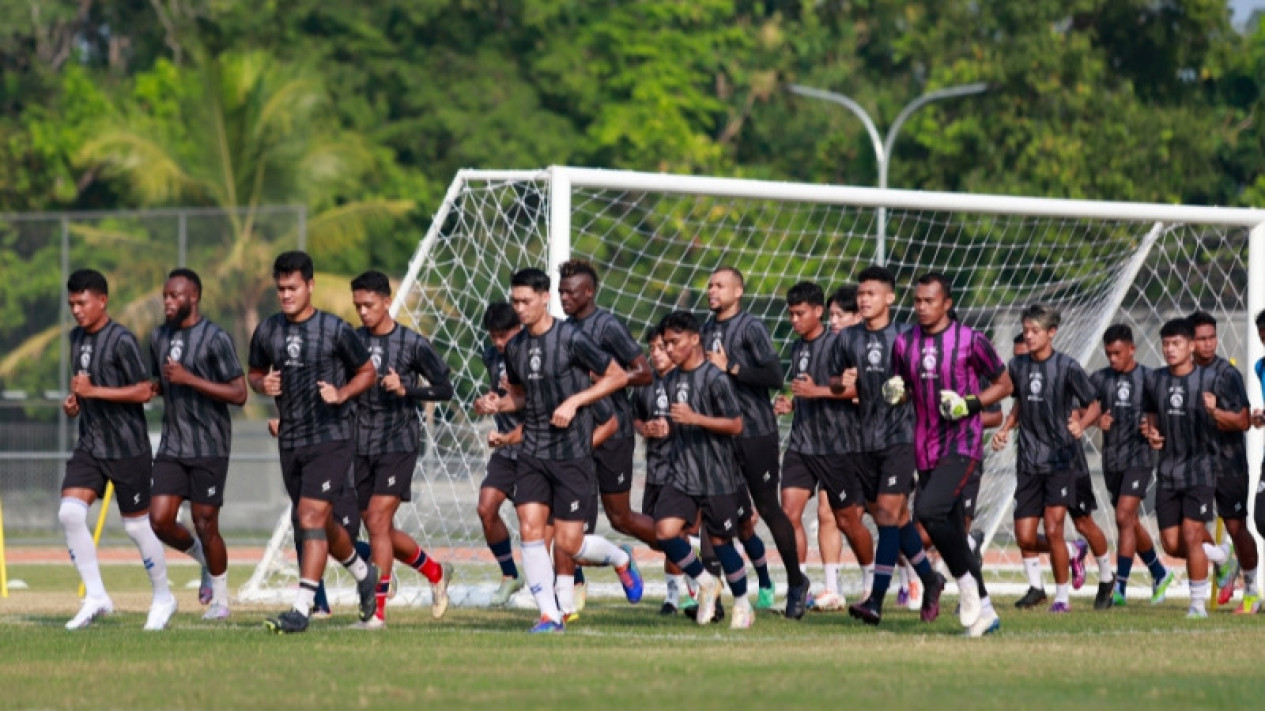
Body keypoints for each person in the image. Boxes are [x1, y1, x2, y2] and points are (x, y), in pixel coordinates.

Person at [486, 267, 641, 633]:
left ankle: (620, 557)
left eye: (526, 301)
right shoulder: (516, 347)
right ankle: (549, 615)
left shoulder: (572, 338)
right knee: (530, 529)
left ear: (544, 298)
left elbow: (617, 376)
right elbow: (523, 396)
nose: (520, 308)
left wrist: (576, 402)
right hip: (534, 451)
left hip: (572, 454)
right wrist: (501, 404)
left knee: (569, 544)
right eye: (515, 301)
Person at [248, 251, 379, 634]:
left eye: (292, 288)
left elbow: (367, 371)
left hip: (332, 438)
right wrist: (262, 384)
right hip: (290, 440)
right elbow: (254, 372)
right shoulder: (268, 331)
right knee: (321, 521)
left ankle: (302, 608)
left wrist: (342, 394)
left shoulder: (336, 330)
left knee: (308, 518)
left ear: (310, 285)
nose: (286, 295)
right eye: (280, 289)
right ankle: (363, 573)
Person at [889, 273, 1012, 637]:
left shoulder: (971, 341)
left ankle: (964, 582)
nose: (922, 308)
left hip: (963, 443)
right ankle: (985, 611)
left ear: (947, 304)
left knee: (927, 511)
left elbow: (1005, 385)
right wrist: (896, 393)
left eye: (930, 301)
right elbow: (904, 388)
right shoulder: (904, 343)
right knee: (952, 531)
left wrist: (969, 404)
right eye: (918, 302)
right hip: (924, 448)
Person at [59, 268, 174, 630]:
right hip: (90, 444)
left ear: (102, 301)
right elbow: (83, 386)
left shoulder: (122, 339)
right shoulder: (75, 338)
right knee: (70, 515)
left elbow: (145, 391)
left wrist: (94, 392)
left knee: (138, 529)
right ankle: (96, 596)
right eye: (72, 304)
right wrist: (75, 402)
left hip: (128, 448)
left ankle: (163, 596)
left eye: (82, 303)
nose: (76, 310)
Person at [830, 266, 945, 626]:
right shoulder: (848, 339)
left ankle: (875, 600)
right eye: (861, 294)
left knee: (884, 515)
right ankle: (930, 578)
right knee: (897, 518)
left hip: (900, 438)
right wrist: (841, 382)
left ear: (890, 298)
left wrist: (906, 389)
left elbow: (924, 382)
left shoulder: (906, 338)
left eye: (871, 293)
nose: (864, 299)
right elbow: (836, 380)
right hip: (864, 440)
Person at [350, 270, 455, 628]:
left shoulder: (413, 343)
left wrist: (407, 389)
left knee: (378, 519)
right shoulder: (351, 341)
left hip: (398, 441)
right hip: (360, 442)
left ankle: (376, 611)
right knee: (375, 527)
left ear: (386, 301)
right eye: (358, 306)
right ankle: (436, 571)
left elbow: (445, 389)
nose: (363, 312)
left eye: (368, 305)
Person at [703, 266, 808, 617]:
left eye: (720, 285)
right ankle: (713, 597)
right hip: (719, 434)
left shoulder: (751, 327)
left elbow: (775, 376)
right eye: (710, 285)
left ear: (737, 292)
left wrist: (730, 367)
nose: (712, 290)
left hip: (755, 432)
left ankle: (796, 582)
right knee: (714, 508)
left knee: (767, 507)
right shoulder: (704, 329)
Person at [147, 268, 247, 621]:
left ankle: (221, 600)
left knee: (206, 524)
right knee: (158, 520)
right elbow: (158, 382)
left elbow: (239, 393)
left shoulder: (215, 338)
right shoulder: (158, 336)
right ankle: (204, 560)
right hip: (173, 444)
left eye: (175, 296)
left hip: (210, 445)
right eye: (165, 296)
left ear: (194, 297)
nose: (168, 302)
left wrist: (190, 379)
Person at [991, 305, 1104, 613]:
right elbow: (1019, 406)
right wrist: (1004, 429)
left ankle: (1062, 597)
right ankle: (1070, 551)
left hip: (1061, 461)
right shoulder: (1017, 366)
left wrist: (1082, 424)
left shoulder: (1067, 367)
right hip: (1028, 461)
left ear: (1051, 333)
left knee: (1053, 526)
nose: (1029, 336)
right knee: (1024, 536)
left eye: (1035, 331)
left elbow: (1094, 403)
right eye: (1026, 330)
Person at [557, 260, 659, 602]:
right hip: (577, 434)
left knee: (620, 517)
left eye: (571, 292)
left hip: (614, 431)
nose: (564, 298)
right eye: (560, 292)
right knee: (571, 522)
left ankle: (686, 550)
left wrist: (608, 379)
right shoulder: (563, 330)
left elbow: (643, 372)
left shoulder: (607, 325)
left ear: (589, 292)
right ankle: (570, 592)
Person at [650, 311, 757, 629]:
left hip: (717, 476)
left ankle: (742, 603)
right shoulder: (669, 380)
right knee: (664, 531)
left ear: (695, 339)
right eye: (665, 343)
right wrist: (664, 426)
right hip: (682, 473)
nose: (669, 349)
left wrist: (696, 419)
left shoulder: (715, 378)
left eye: (674, 342)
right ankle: (705, 581)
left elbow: (736, 424)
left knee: (722, 544)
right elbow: (678, 422)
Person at [773, 282, 872, 615]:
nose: (795, 319)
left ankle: (872, 580)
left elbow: (859, 388)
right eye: (791, 313)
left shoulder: (840, 344)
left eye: (801, 313)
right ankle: (798, 584)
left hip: (836, 446)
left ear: (817, 312)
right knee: (788, 515)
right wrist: (791, 403)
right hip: (802, 443)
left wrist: (817, 392)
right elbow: (806, 390)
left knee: (846, 520)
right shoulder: (797, 348)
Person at [1141, 318, 1231, 619]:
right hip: (1167, 472)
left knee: (1192, 535)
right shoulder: (1154, 379)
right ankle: (1220, 556)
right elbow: (1150, 415)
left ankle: (1196, 604)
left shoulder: (1209, 380)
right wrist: (1151, 432)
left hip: (1200, 471)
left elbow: (1233, 420)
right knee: (1171, 544)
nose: (1170, 349)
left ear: (1191, 346)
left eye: (1176, 343)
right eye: (1166, 343)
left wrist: (1215, 411)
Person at [1088, 325, 1174, 607]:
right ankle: (1159, 573)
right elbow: (1083, 409)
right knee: (1129, 521)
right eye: (1109, 353)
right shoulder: (1100, 379)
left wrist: (1154, 429)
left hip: (1140, 457)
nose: (1113, 359)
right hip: (1112, 459)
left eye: (1118, 353)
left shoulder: (1149, 378)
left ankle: (1120, 587)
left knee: (1124, 515)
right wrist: (1096, 419)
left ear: (1131, 349)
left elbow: (1165, 414)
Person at [1188, 311, 1256, 609]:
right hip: (1194, 463)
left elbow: (1242, 420)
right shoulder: (1181, 374)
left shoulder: (1227, 375)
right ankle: (1221, 559)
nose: (1207, 344)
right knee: (1184, 527)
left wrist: (1215, 413)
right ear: (1190, 342)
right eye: (1201, 339)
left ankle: (1252, 590)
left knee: (1236, 527)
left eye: (1211, 338)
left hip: (1229, 463)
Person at [633, 325, 699, 615]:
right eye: (653, 350)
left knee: (675, 534)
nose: (657, 355)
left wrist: (672, 426)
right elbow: (635, 416)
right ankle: (691, 582)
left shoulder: (687, 380)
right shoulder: (645, 384)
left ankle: (678, 596)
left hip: (683, 471)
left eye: (662, 348)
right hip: (655, 471)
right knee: (663, 538)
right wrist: (644, 428)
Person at [472, 302, 527, 607]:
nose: (498, 342)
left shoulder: (533, 353)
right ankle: (510, 575)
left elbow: (535, 402)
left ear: (518, 329)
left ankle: (578, 580)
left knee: (541, 525)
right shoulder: (492, 355)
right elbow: (499, 396)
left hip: (536, 445)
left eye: (503, 335)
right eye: (493, 335)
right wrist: (485, 403)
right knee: (485, 507)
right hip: (506, 450)